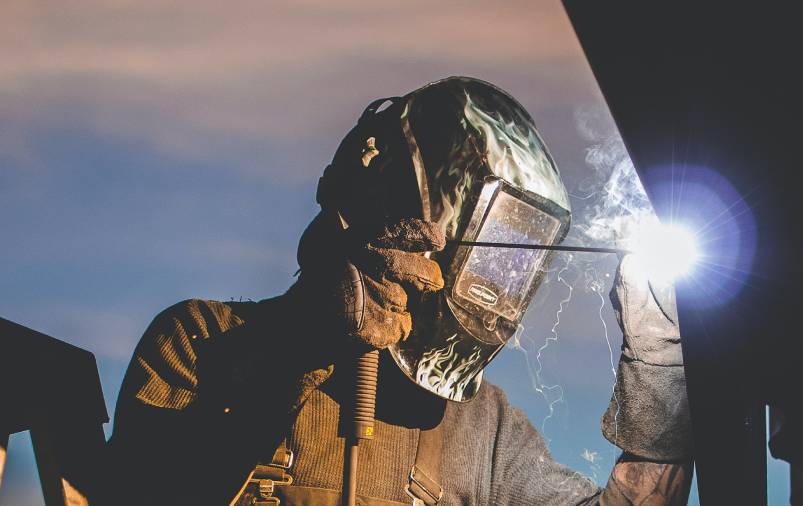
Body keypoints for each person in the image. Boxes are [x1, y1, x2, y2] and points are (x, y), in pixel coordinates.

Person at [108, 77, 693, 505]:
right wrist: (300, 353)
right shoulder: (203, 342)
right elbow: (140, 493)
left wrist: (661, 377)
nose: (496, 282)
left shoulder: (483, 429)